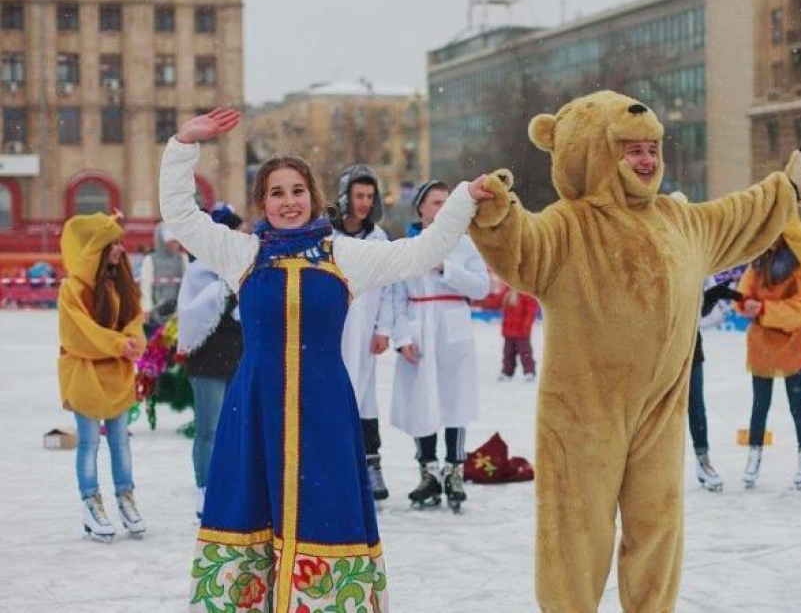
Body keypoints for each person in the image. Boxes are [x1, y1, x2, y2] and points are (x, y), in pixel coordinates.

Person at [466, 89, 801, 612]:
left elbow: (741, 215)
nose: (647, 160)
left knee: (658, 529)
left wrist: (793, 186)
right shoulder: (570, 225)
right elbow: (523, 247)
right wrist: (498, 216)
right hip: (583, 414)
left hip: (661, 412)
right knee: (577, 533)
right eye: (631, 149)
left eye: (652, 149)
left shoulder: (681, 222)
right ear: (597, 153)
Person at [159, 109, 493, 612]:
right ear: (262, 202)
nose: (288, 202)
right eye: (276, 192)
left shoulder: (343, 255)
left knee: (326, 513)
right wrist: (184, 145)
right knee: (250, 511)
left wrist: (464, 197)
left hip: (325, 412)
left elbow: (421, 253)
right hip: (254, 409)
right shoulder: (243, 254)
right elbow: (182, 216)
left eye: (297, 191)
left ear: (312, 197)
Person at [391, 180, 490, 510]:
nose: (442, 209)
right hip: (419, 323)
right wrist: (402, 337)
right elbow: (395, 296)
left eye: (447, 203)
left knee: (454, 400)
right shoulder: (408, 246)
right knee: (422, 400)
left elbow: (481, 287)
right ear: (420, 207)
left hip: (452, 324)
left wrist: (446, 267)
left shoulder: (465, 245)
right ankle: (428, 471)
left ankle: (455, 469)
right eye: (435, 203)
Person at [57, 212, 147, 542]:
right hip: (84, 375)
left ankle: (126, 497)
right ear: (97, 247)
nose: (121, 250)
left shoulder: (120, 284)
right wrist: (118, 345)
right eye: (115, 243)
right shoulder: (73, 291)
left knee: (121, 441)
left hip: (118, 374)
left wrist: (134, 341)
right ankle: (91, 501)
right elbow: (78, 334)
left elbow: (134, 318)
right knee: (90, 441)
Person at [737, 217, 801, 489]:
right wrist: (745, 303)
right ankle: (754, 454)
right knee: (759, 405)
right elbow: (744, 290)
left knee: (797, 405)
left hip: (793, 343)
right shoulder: (759, 262)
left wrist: (764, 310)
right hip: (762, 344)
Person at [331, 164, 395, 501]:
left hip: (365, 331)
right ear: (346, 197)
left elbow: (388, 287)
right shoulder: (328, 236)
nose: (365, 202)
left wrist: (384, 328)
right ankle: (335, 468)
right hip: (333, 331)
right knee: (333, 398)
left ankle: (372, 466)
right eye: (359, 195)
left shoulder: (378, 238)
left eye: (370, 196)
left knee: (365, 400)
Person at [177, 203, 245, 519]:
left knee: (235, 429)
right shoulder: (200, 270)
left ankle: (231, 488)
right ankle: (205, 489)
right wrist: (227, 290)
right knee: (209, 429)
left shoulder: (244, 268)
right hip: (206, 361)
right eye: (236, 232)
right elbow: (193, 314)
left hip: (239, 359)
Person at [689, 277, 741, 491]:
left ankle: (703, 460)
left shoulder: (695, 265)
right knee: (655, 413)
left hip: (690, 350)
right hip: (656, 351)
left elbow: (695, 315)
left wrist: (710, 297)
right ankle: (651, 467)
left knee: (696, 409)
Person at [140, 221, 187, 335]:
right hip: (156, 312)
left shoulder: (182, 259)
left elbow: (187, 286)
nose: (176, 244)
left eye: (177, 241)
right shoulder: (150, 260)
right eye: (172, 241)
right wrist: (147, 309)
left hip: (177, 312)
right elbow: (146, 286)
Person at [498, 287, 539, 382]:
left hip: (521, 332)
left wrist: (526, 327)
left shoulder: (526, 294)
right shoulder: (507, 292)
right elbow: (497, 302)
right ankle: (507, 372)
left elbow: (530, 312)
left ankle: (529, 372)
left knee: (525, 352)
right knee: (508, 353)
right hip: (509, 331)